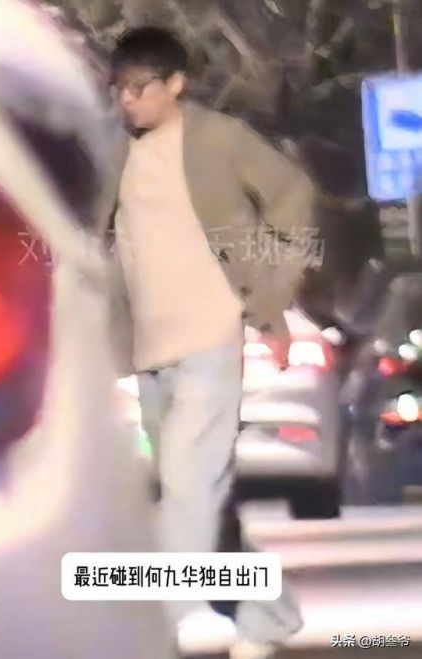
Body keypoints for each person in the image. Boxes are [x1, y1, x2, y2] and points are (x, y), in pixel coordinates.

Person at [98, 26, 315, 658]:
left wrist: (270, 295)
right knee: (196, 497)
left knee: (190, 486)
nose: (128, 100)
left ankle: (150, 626)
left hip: (210, 338)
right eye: (120, 89)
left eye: (141, 88)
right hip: (149, 351)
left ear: (175, 84)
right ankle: (268, 615)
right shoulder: (117, 152)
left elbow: (293, 195)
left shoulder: (218, 138)